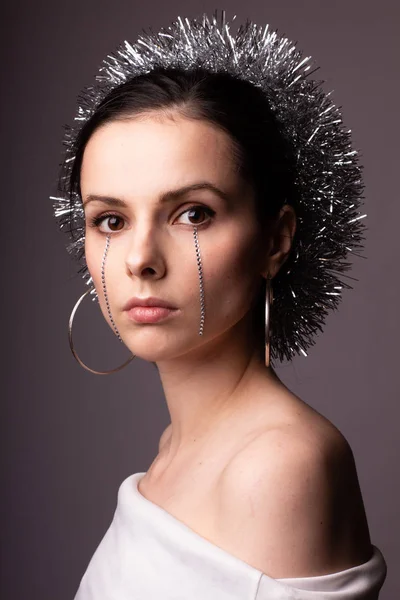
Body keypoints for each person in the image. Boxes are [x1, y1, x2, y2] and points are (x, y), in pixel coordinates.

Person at [51, 11, 387, 599]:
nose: (140, 259)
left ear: (276, 239)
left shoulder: (280, 465)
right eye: (111, 220)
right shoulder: (173, 450)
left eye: (193, 214)